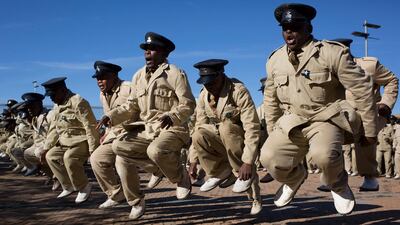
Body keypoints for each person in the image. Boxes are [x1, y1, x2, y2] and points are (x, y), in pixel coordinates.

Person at [260, 3, 378, 215]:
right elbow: (270, 99)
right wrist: (272, 131)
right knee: (269, 158)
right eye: (285, 27)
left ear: (308, 28)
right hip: (292, 120)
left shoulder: (331, 53)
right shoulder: (274, 60)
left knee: (324, 155)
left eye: (295, 26)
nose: (289, 32)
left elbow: (363, 89)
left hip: (325, 117)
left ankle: (338, 185)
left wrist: (369, 131)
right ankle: (294, 178)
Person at [96, 32, 195, 219]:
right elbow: (131, 105)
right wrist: (111, 115)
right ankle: (136, 200)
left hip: (172, 128)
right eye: (146, 50)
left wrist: (173, 116)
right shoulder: (138, 76)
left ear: (164, 53)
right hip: (147, 129)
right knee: (119, 148)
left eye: (152, 50)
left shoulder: (175, 73)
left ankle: (179, 177)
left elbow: (188, 104)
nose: (147, 54)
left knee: (155, 151)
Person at [190, 59, 262, 215]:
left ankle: (254, 198)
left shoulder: (238, 91)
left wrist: (248, 162)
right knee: (198, 133)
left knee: (226, 126)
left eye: (211, 82)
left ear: (221, 75)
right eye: (205, 83)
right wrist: (193, 160)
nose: (207, 86)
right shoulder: (204, 95)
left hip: (239, 141)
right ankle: (219, 172)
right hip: (221, 139)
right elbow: (199, 125)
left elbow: (252, 126)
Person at [331, 38, 398, 191]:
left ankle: (370, 177)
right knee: (328, 137)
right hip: (340, 114)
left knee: (365, 134)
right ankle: (334, 176)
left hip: (367, 112)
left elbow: (391, 80)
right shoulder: (328, 70)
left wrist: (386, 103)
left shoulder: (368, 65)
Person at [90, 60, 154, 209]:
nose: (100, 81)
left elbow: (137, 110)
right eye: (97, 78)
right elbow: (109, 118)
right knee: (96, 159)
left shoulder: (129, 88)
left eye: (103, 77)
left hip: (133, 132)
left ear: (114, 76)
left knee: (121, 160)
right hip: (115, 135)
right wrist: (106, 133)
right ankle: (116, 194)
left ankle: (136, 201)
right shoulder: (102, 95)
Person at [41, 77, 100, 204]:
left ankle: (83, 187)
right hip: (65, 141)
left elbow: (90, 126)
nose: (51, 98)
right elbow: (54, 129)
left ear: (62, 90)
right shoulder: (57, 105)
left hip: (82, 141)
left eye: (53, 95)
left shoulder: (78, 101)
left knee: (69, 158)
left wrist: (92, 150)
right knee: (50, 156)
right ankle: (68, 186)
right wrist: (46, 148)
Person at [256, 77, 274, 183]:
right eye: (263, 91)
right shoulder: (261, 107)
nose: (264, 93)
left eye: (265, 90)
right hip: (264, 133)